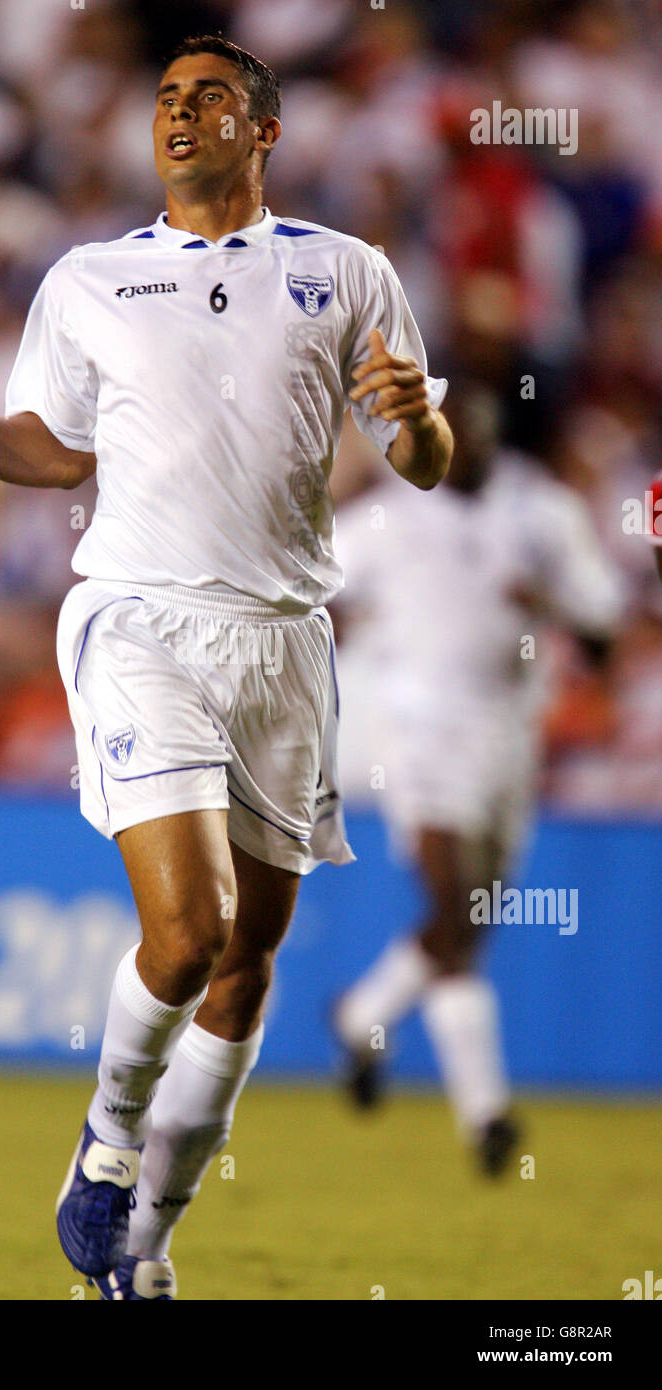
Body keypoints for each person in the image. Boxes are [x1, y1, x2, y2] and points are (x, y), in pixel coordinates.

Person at [0, 34, 451, 1299]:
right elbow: (58, 450)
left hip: (284, 636)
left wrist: (420, 417)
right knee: (190, 926)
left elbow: (419, 460)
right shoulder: (91, 278)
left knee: (248, 957)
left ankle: (145, 1239)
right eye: (164, 97)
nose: (178, 113)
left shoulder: (344, 271)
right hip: (138, 614)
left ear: (261, 129)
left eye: (209, 96)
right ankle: (103, 1147)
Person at [331, 377, 623, 1173]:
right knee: (456, 906)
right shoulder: (386, 518)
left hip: (508, 743)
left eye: (475, 435)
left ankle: (363, 1017)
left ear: (497, 438)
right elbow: (310, 586)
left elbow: (604, 636)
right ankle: (487, 1116)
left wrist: (551, 608)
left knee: (469, 922)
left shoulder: (544, 515)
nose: (458, 451)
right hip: (417, 731)